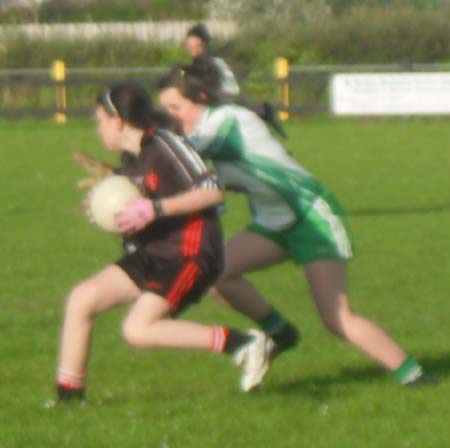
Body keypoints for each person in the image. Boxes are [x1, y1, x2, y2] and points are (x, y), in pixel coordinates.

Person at [156, 66, 429, 386]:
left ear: (200, 97)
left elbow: (185, 151)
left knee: (336, 318)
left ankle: (414, 377)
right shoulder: (208, 128)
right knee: (215, 274)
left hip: (311, 217)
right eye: (166, 111)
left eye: (176, 108)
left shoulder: (226, 120)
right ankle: (280, 332)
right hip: (273, 222)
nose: (172, 117)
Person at [54, 81, 273, 403]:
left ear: (118, 121)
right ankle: (68, 400)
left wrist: (154, 209)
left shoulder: (167, 145)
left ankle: (243, 344)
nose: (98, 129)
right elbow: (141, 213)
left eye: (100, 120)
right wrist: (109, 212)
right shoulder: (130, 160)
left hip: (188, 254)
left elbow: (212, 192)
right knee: (81, 299)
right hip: (153, 251)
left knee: (137, 331)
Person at [185, 23, 287, 138]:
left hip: (227, 105)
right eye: (190, 46)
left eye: (196, 46)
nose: (193, 50)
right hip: (228, 102)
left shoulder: (209, 64)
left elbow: (211, 88)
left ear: (204, 45)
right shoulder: (208, 61)